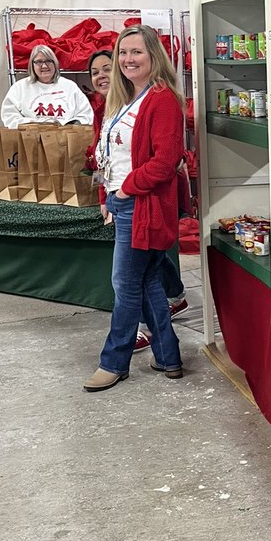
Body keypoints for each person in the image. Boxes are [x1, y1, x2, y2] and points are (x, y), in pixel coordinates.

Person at [84, 24, 184, 392]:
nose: (127, 59)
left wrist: (124, 191)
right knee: (147, 283)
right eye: (122, 53)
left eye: (136, 52)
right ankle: (169, 356)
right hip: (124, 202)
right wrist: (106, 196)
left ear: (153, 56)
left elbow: (165, 161)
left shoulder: (162, 100)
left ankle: (114, 361)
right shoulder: (125, 99)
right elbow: (108, 155)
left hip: (143, 206)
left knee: (125, 286)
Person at [1, 45, 93, 128]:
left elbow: (85, 115)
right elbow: (9, 116)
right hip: (30, 140)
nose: (44, 66)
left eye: (49, 61)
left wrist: (68, 127)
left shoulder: (70, 87)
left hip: (65, 141)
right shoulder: (19, 88)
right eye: (39, 62)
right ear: (32, 65)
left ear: (55, 63)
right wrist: (35, 125)